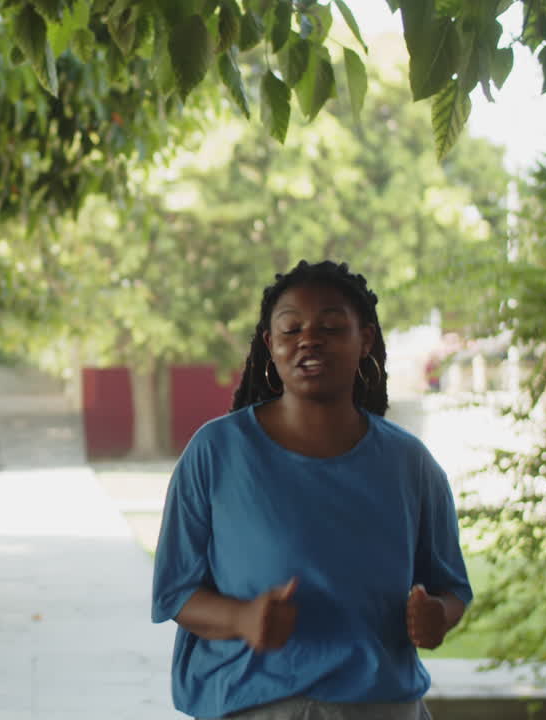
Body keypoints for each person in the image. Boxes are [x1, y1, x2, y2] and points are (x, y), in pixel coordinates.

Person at [151, 260, 472, 720]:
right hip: (253, 703)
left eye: (332, 326)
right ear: (271, 344)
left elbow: (451, 587)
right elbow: (175, 593)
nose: (309, 339)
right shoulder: (216, 451)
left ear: (366, 340)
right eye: (290, 328)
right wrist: (242, 619)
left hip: (380, 704)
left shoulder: (409, 463)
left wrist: (438, 615)